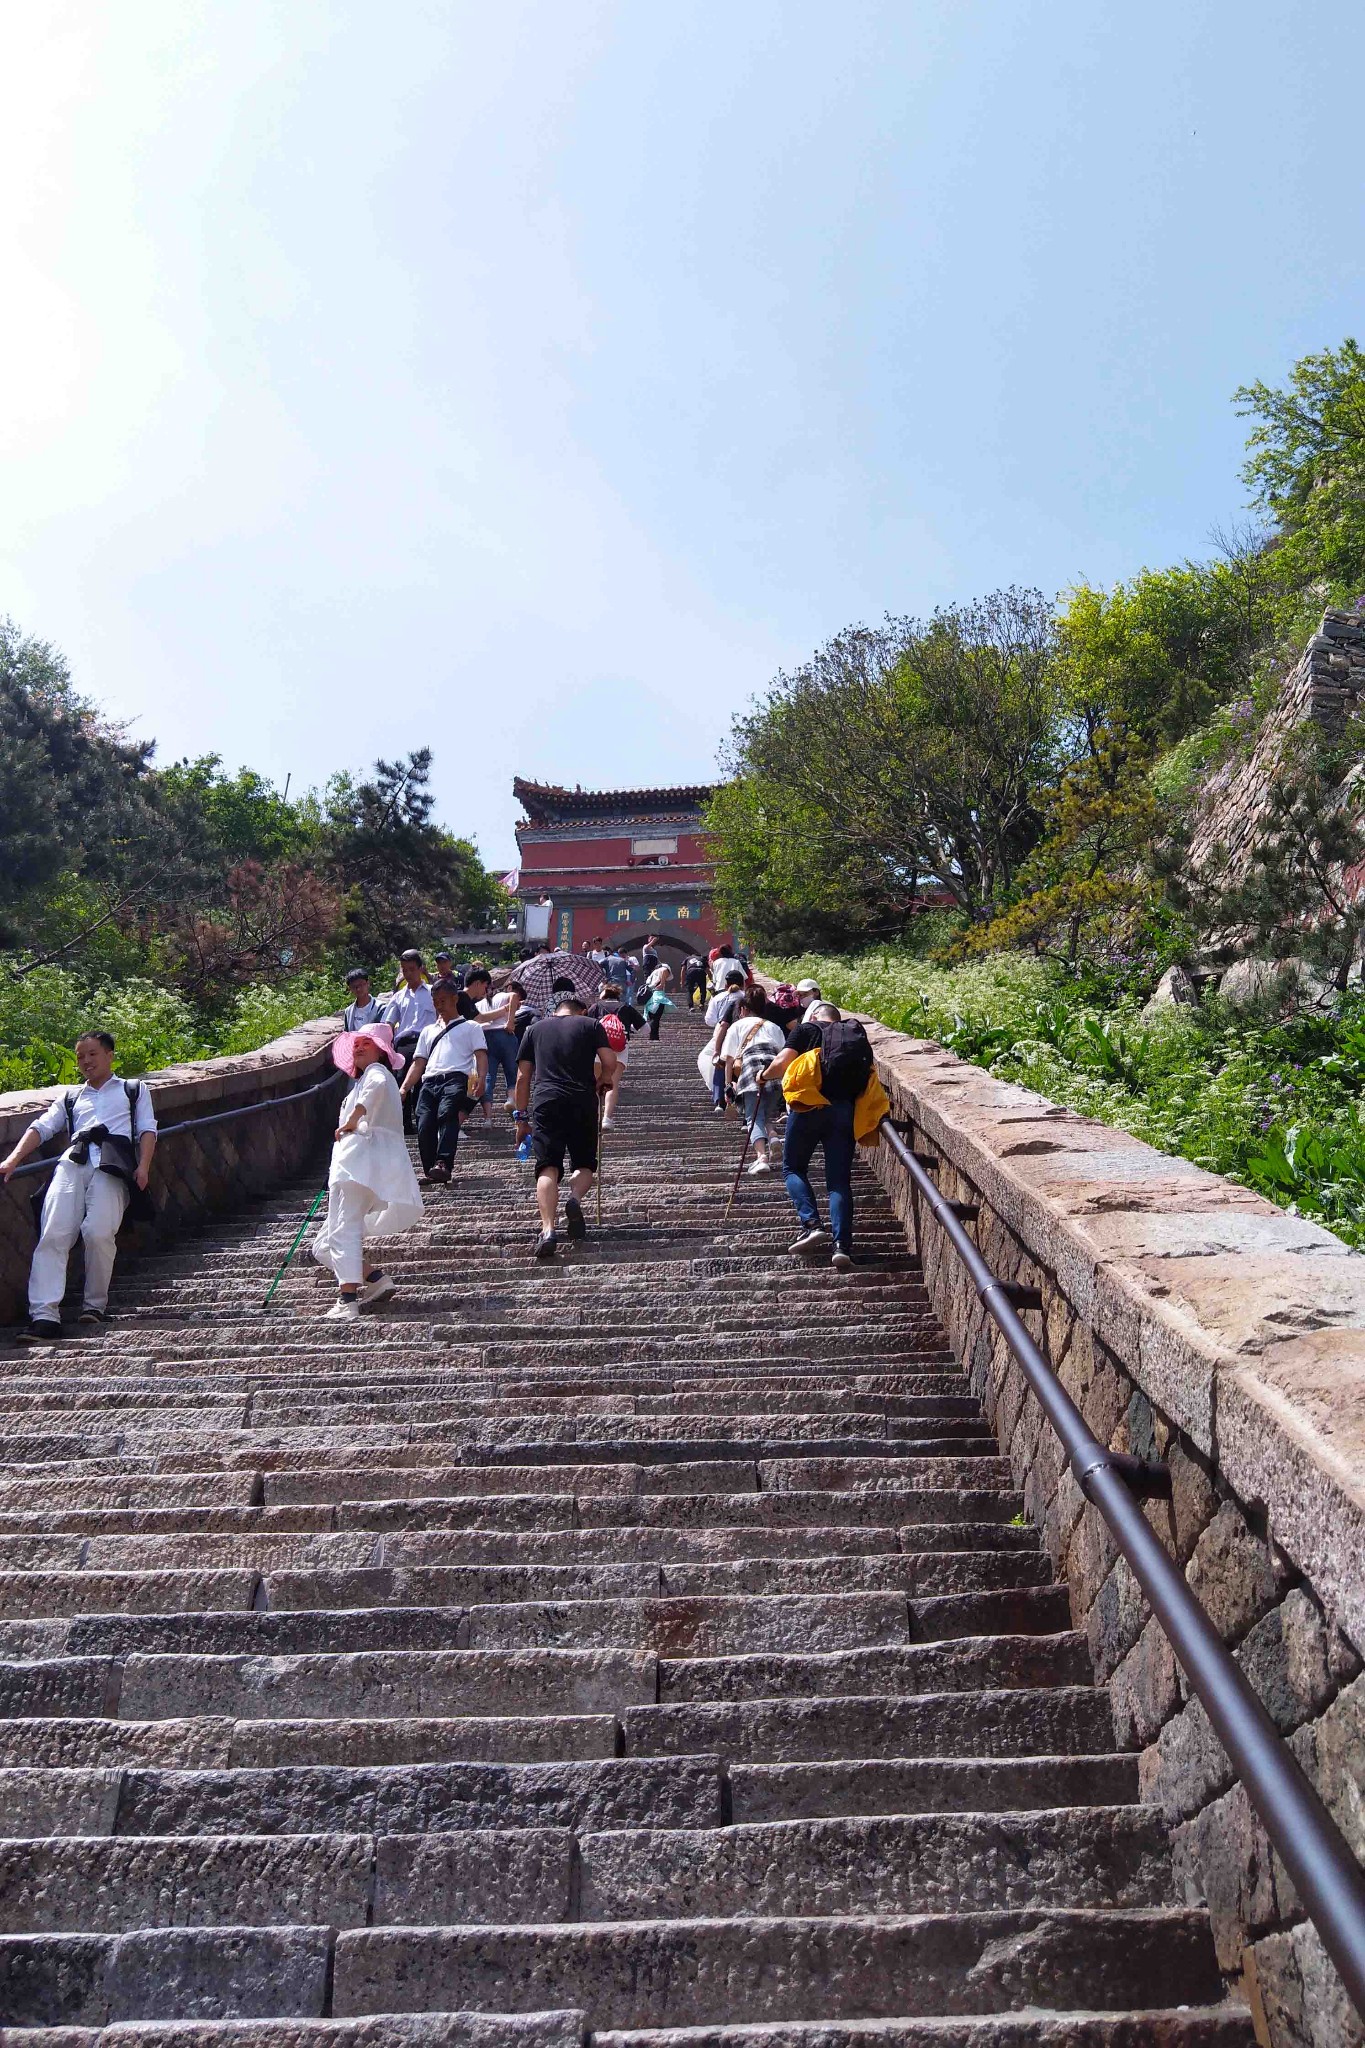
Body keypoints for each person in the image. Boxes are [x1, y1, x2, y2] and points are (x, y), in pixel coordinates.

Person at [1, 1030, 158, 1341]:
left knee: (99, 1232)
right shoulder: (71, 1097)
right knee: (54, 1233)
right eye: (80, 1056)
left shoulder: (133, 1090)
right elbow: (42, 1126)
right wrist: (13, 1160)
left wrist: (143, 1166)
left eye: (92, 1054)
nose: (86, 1061)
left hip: (113, 1165)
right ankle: (44, 1316)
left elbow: (147, 1128)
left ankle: (94, 1305)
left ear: (109, 1055)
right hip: (73, 1162)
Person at [312, 1022, 422, 1320]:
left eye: (367, 1043)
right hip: (356, 1166)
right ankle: (376, 1280)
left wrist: (353, 1119)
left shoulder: (377, 1074)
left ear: (383, 1051)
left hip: (360, 1166)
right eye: (357, 1043)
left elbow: (368, 1099)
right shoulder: (364, 1082)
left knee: (343, 1229)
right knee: (323, 1244)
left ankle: (347, 1300)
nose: (359, 1047)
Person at [760, 1001, 871, 1272]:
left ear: (813, 1015)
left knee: (793, 1167)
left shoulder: (807, 1029)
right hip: (844, 1110)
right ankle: (842, 1246)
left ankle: (811, 1225)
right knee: (838, 1181)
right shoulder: (854, 1037)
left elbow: (782, 1063)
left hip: (808, 1106)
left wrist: (762, 1076)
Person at [513, 980, 618, 1260]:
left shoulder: (534, 1030)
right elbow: (610, 1060)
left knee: (547, 1167)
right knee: (584, 1163)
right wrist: (604, 1079)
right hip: (582, 1099)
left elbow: (523, 1077)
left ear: (555, 1010)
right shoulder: (591, 1025)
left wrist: (521, 1117)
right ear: (580, 1009)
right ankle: (573, 1199)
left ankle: (548, 1230)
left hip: (546, 1100)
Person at [400, 978, 488, 1181]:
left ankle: (444, 1163)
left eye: (443, 1001)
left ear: (455, 999)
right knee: (424, 1123)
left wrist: (481, 1079)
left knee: (447, 1115)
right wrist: (404, 1088)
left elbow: (481, 1055)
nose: (439, 1006)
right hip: (429, 1081)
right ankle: (430, 1169)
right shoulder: (428, 1031)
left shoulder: (471, 1027)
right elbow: (418, 1063)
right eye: (436, 1002)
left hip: (456, 1078)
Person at [722, 988, 787, 1174]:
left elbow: (728, 1059)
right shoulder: (774, 1027)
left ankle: (761, 1158)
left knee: (752, 1117)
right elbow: (784, 1054)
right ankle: (773, 1137)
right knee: (764, 1114)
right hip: (775, 1070)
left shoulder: (738, 1026)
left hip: (751, 1067)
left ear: (743, 1009)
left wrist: (728, 1085)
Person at [382, 952, 437, 1132]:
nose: (408, 974)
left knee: (423, 1083)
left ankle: (424, 1123)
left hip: (427, 1041)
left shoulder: (432, 993)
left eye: (412, 969)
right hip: (404, 1043)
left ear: (420, 969)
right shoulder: (398, 997)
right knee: (401, 1082)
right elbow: (389, 1023)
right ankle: (404, 1124)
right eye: (404, 970)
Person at [464, 964, 521, 1126]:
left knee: (487, 1076)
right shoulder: (503, 995)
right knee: (511, 1071)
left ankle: (488, 1118)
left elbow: (478, 1020)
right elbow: (514, 997)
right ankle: (511, 1099)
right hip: (505, 1035)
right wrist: (510, 1021)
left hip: (486, 1038)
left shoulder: (477, 1005)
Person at [590, 981, 645, 1130]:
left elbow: (586, 1025)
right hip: (619, 1049)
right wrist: (629, 1027)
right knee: (612, 1084)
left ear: (604, 995)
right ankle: (607, 1118)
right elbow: (646, 1029)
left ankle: (593, 1117)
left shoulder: (596, 1007)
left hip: (598, 1049)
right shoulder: (626, 1007)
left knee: (595, 1084)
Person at [704, 966, 748, 1111]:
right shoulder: (747, 998)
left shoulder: (718, 997)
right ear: (743, 983)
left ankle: (719, 1101)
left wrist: (717, 1049)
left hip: (724, 1038)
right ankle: (743, 1103)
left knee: (720, 1066)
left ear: (725, 984)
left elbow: (711, 1021)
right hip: (746, 1037)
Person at [643, 964, 674, 1040]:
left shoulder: (652, 974)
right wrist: (662, 983)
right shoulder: (664, 970)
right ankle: (654, 1037)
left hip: (650, 998)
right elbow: (664, 970)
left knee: (653, 1018)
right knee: (656, 1018)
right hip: (658, 997)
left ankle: (654, 1037)